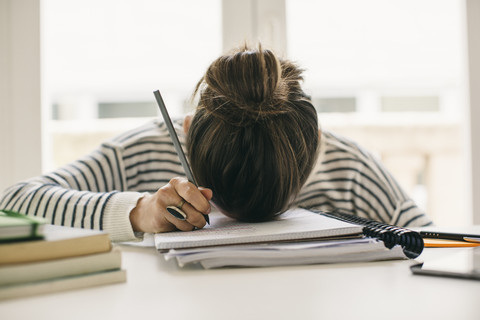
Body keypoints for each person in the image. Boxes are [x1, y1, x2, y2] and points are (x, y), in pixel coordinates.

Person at [0, 45, 432, 242]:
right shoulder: (140, 153)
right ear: (187, 135)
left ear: (315, 145)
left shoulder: (348, 167)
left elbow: (436, 243)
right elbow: (14, 201)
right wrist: (137, 211)